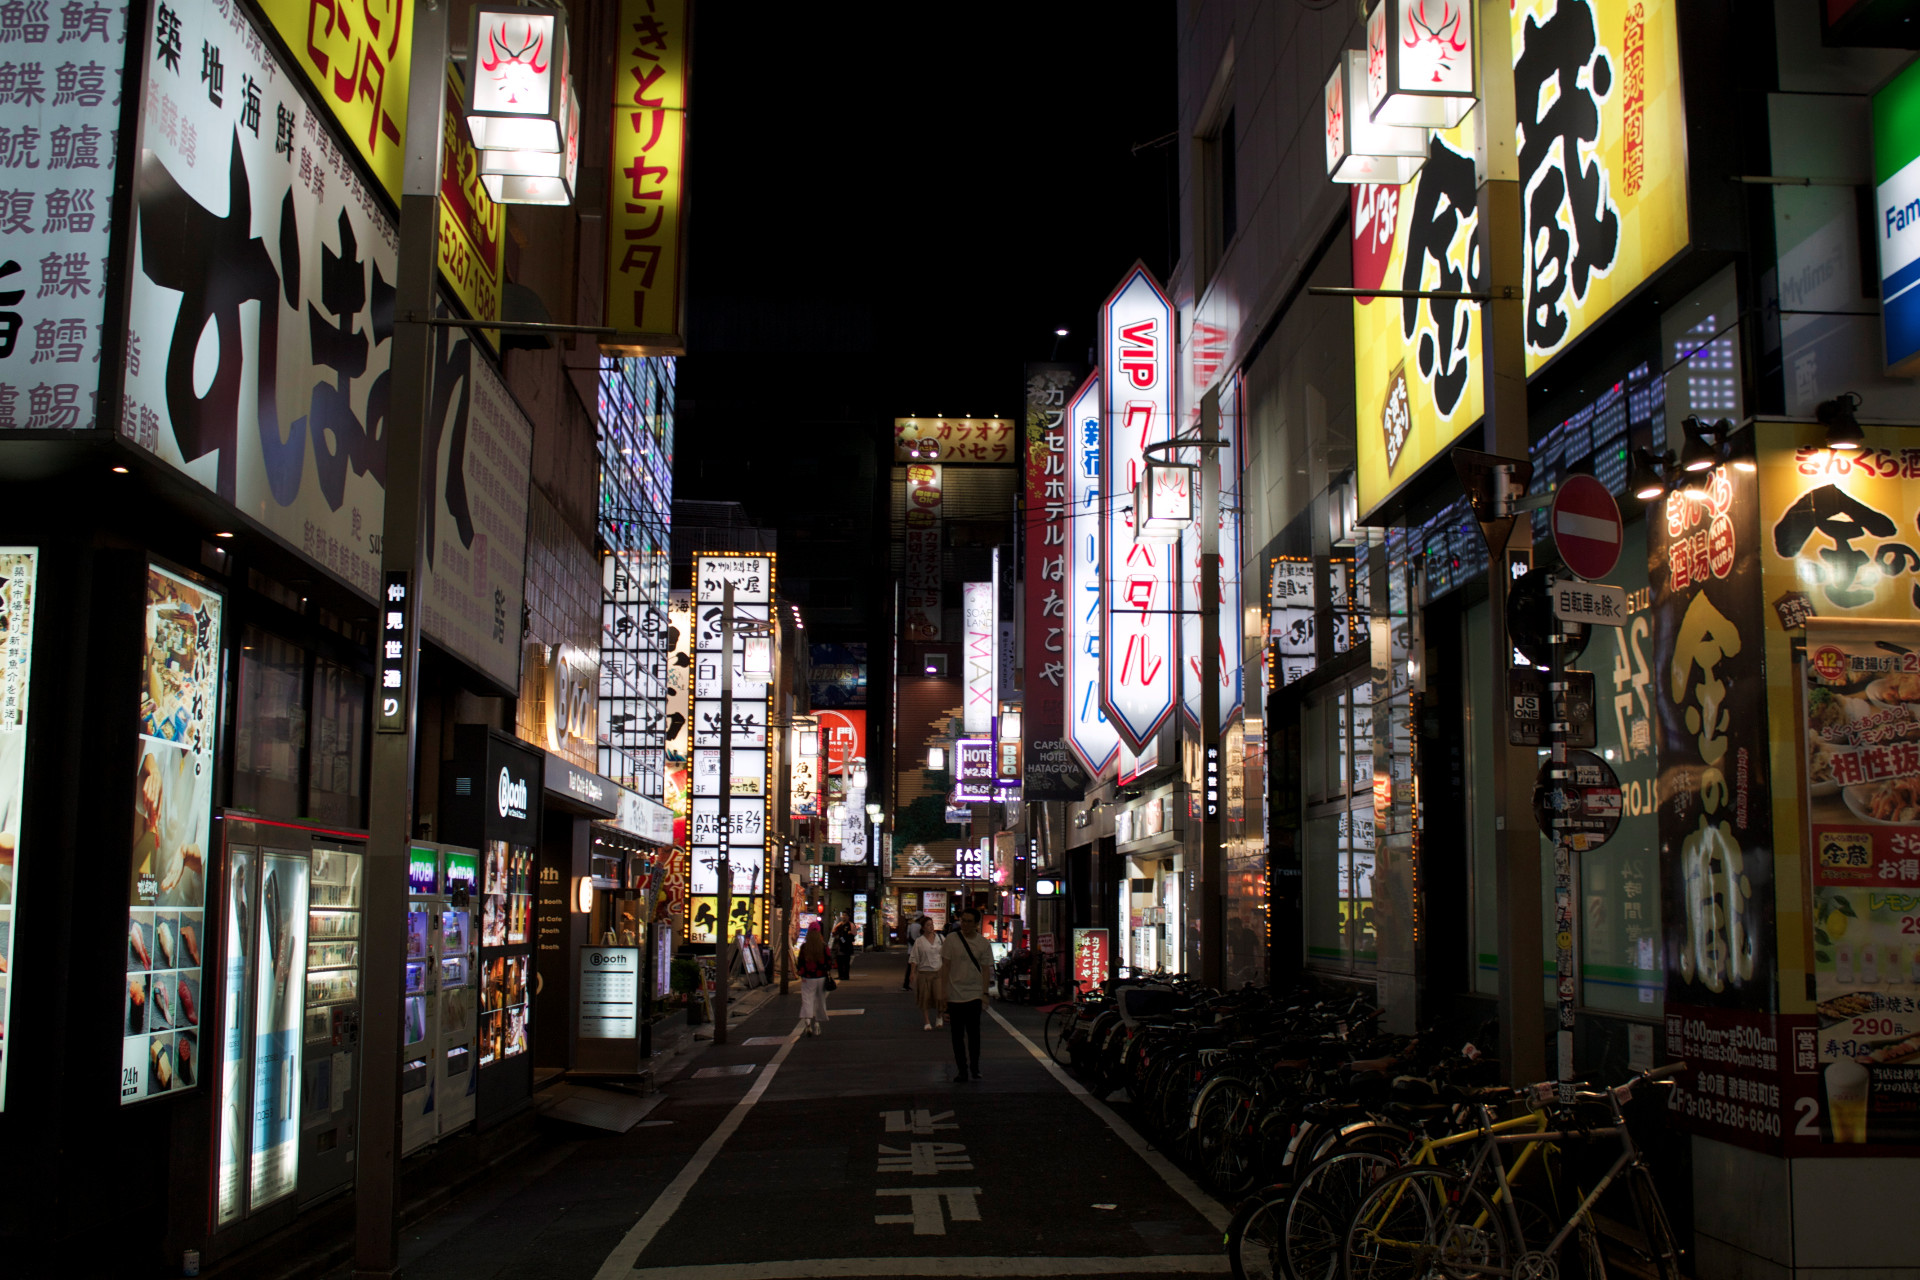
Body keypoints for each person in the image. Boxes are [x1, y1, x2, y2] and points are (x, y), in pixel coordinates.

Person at [942, 908, 992, 1082]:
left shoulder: (983, 943)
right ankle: (962, 1070)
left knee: (974, 1035)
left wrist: (985, 993)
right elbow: (945, 967)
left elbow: (986, 970)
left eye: (969, 921)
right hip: (954, 994)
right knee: (957, 1036)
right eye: (963, 920)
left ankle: (975, 1067)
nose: (965, 924)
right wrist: (943, 993)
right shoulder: (951, 940)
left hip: (974, 995)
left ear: (977, 924)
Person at [795, 923, 831, 1036]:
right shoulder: (824, 946)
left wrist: (801, 971)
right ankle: (817, 1023)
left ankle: (807, 1022)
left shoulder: (805, 947)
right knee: (820, 999)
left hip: (808, 977)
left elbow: (800, 962)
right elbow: (829, 961)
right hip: (821, 976)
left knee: (807, 999)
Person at [911, 916, 945, 1031]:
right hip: (924, 972)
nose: (931, 927)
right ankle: (927, 1021)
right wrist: (912, 973)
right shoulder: (919, 941)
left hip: (938, 971)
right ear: (923, 928)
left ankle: (939, 1016)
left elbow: (947, 954)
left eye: (932, 924)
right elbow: (914, 957)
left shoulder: (940, 938)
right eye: (928, 925)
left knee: (940, 996)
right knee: (925, 998)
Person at [832, 911, 855, 981]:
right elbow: (834, 932)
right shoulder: (839, 925)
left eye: (845, 915)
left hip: (847, 946)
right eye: (843, 915)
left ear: (848, 917)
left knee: (846, 961)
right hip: (839, 945)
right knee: (839, 961)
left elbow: (853, 934)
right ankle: (840, 975)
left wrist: (847, 936)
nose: (844, 917)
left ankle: (846, 975)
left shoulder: (850, 925)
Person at [902, 915, 921, 990]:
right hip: (919, 950)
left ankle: (905, 984)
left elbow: (907, 937)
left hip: (910, 949)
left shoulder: (910, 926)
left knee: (909, 968)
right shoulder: (920, 926)